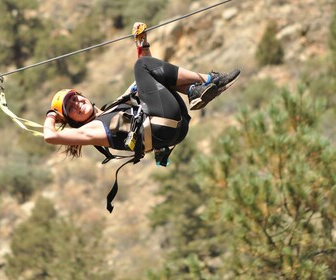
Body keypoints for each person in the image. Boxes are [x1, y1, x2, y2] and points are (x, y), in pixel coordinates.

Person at [43, 22, 240, 212]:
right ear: (73, 121)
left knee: (147, 70)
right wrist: (51, 115)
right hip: (162, 126)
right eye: (70, 108)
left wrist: (142, 43)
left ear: (82, 95)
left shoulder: (115, 106)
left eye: (74, 98)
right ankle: (208, 81)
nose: (76, 103)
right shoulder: (90, 130)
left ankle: (194, 91)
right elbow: (50, 137)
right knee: (141, 68)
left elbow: (154, 72)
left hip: (175, 124)